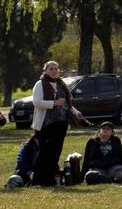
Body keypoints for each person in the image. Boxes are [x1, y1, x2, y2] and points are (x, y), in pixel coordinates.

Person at [30, 60, 83, 188]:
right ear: (45, 70)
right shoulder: (40, 84)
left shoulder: (61, 84)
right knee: (44, 152)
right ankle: (37, 181)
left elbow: (66, 103)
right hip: (45, 124)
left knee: (55, 152)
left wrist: (76, 112)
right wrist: (53, 103)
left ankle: (50, 181)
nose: (54, 71)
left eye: (56, 69)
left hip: (61, 123)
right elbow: (36, 102)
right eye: (51, 69)